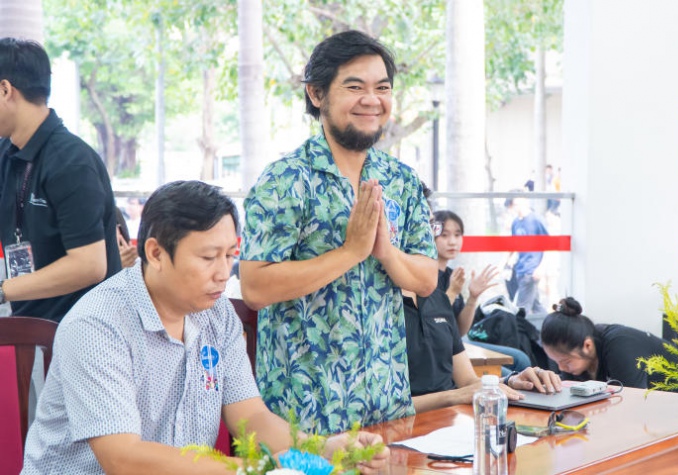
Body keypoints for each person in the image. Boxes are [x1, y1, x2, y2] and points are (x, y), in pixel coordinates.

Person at [21, 180, 388, 475]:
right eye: (209, 257)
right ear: (156, 253)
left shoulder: (217, 314)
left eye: (230, 255)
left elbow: (251, 416)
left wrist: (322, 449)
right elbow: (124, 459)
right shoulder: (98, 325)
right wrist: (257, 468)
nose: (222, 273)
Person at [240, 30, 438, 434]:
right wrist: (350, 252)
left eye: (382, 88)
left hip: (390, 410)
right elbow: (255, 288)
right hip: (305, 419)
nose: (372, 100)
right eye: (355, 87)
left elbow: (426, 279)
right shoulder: (285, 180)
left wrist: (387, 253)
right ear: (316, 94)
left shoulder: (400, 179)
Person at [0, 37, 121, 322]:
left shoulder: (71, 161)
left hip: (86, 330)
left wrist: (3, 290)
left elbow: (89, 265)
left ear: (5, 90)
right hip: (29, 322)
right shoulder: (8, 153)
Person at [403, 287, 561, 413]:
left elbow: (468, 381)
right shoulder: (382, 306)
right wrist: (454, 396)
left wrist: (511, 382)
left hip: (452, 421)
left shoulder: (439, 300)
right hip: (407, 427)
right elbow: (384, 409)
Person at [431, 209, 531, 373]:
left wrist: (473, 297)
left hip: (456, 342)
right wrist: (452, 292)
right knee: (508, 374)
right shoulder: (426, 275)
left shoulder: (451, 275)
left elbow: (460, 330)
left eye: (457, 235)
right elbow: (432, 322)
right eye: (445, 235)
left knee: (520, 358)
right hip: (439, 350)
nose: (452, 242)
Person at [540, 297, 678, 391]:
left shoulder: (620, 346)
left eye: (565, 361)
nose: (561, 368)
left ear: (587, 346)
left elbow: (631, 404)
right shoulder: (578, 361)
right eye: (556, 362)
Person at [505, 194, 549, 315]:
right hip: (520, 268)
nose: (515, 207)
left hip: (531, 270)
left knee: (522, 308)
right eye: (514, 205)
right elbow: (514, 245)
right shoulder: (516, 223)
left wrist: (541, 268)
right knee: (536, 306)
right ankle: (552, 327)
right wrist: (507, 262)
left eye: (517, 204)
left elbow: (549, 245)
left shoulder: (536, 220)